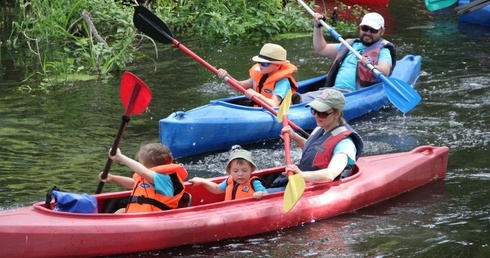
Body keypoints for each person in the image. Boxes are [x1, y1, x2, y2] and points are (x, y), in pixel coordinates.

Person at [268, 88, 364, 192]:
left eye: (323, 113)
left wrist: (301, 175)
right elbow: (315, 149)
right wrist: (294, 136)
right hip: (301, 180)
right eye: (314, 111)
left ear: (337, 114)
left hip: (315, 186)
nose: (317, 116)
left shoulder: (345, 143)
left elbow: (330, 174)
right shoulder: (322, 128)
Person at [303, 12, 396, 101]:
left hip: (354, 95)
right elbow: (321, 49)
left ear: (382, 31)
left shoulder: (383, 51)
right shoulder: (349, 44)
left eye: (373, 30)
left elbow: (385, 71)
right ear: (360, 28)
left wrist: (372, 66)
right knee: (295, 98)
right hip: (332, 91)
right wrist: (317, 27)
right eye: (364, 28)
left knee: (304, 100)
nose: (367, 33)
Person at [98, 143, 188, 213]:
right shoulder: (152, 178)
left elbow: (143, 171)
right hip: (139, 217)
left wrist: (120, 157)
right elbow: (134, 184)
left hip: (153, 219)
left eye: (140, 162)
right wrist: (112, 178)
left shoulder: (166, 179)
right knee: (119, 211)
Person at [217, 43, 300, 107]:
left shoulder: (283, 82)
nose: (260, 65)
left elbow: (274, 104)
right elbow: (238, 86)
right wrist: (225, 76)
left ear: (277, 65)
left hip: (275, 114)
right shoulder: (260, 75)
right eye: (259, 62)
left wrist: (257, 95)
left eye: (264, 63)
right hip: (259, 109)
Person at [189, 147, 268, 200]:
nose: (240, 174)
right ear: (230, 171)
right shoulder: (229, 181)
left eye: (244, 170)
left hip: (247, 213)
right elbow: (216, 189)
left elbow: (266, 195)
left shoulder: (254, 183)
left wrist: (260, 194)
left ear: (251, 170)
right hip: (230, 212)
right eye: (235, 171)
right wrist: (202, 181)